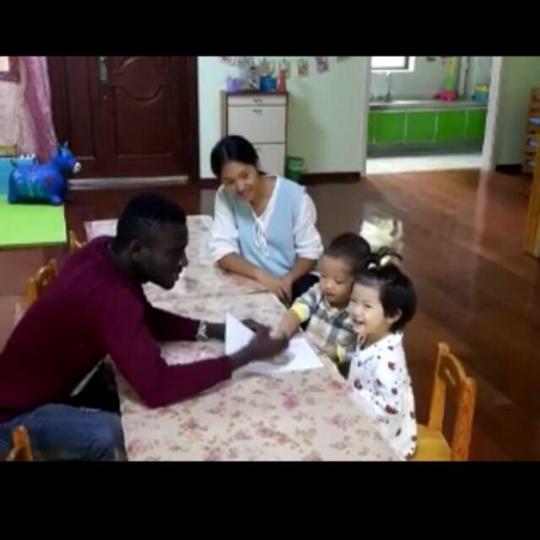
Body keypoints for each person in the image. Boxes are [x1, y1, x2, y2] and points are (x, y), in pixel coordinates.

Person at [0, 193, 287, 461]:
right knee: (111, 435)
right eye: (175, 253)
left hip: (40, 388)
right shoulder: (110, 298)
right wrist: (246, 355)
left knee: (121, 387)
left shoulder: (102, 251)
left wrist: (216, 330)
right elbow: (158, 387)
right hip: (15, 416)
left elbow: (144, 317)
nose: (184, 262)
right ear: (137, 250)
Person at [209, 135, 323, 305]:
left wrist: (287, 281)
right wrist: (262, 277)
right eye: (229, 182)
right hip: (249, 280)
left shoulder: (295, 197)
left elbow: (310, 253)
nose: (240, 187)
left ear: (256, 165)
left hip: (290, 283)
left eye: (245, 175)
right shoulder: (225, 196)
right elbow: (223, 251)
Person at [347, 254, 418, 460]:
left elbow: (391, 407)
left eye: (367, 306)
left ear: (393, 315)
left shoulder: (388, 360)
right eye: (353, 301)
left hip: (386, 441)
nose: (356, 311)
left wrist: (349, 394)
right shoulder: (371, 334)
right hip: (363, 418)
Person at [274, 233, 371, 376]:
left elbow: (360, 353)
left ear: (358, 282)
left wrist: (337, 353)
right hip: (305, 360)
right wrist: (283, 333)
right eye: (324, 276)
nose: (328, 285)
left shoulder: (359, 313)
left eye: (338, 281)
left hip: (332, 374)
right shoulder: (318, 292)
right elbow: (298, 310)